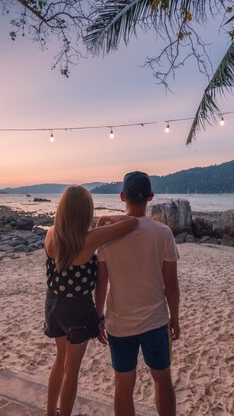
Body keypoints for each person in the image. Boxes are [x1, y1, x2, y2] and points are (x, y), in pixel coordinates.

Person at [44, 185, 139, 416]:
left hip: (53, 304)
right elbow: (132, 222)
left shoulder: (50, 234)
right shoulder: (88, 239)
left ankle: (50, 414)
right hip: (77, 309)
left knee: (60, 360)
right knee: (72, 371)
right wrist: (107, 217)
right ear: (85, 212)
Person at [96, 171, 180, 416]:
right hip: (155, 321)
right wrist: (175, 318)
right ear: (151, 197)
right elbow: (171, 285)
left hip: (119, 324)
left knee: (123, 386)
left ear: (122, 196)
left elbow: (102, 281)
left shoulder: (107, 235)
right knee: (162, 379)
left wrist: (98, 315)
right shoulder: (163, 233)